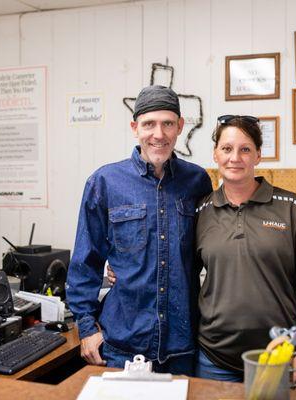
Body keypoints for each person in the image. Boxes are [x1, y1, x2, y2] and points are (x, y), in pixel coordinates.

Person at [66, 85, 213, 375]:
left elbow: (206, 254)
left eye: (168, 123)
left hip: (182, 345)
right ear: (135, 128)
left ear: (180, 127)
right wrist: (86, 328)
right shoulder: (104, 182)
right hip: (122, 345)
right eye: (149, 124)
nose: (158, 134)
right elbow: (85, 263)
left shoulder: (197, 182)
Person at [194, 115, 296, 383]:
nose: (235, 158)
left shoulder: (293, 209)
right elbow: (177, 272)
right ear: (215, 154)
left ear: (258, 156)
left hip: (279, 358)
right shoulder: (200, 212)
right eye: (227, 148)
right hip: (214, 360)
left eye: (245, 149)